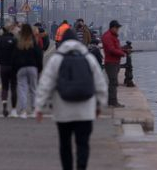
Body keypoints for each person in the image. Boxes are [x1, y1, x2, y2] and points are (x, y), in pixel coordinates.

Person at [35, 29, 108, 170]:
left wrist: (39, 107)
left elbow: (45, 84)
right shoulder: (88, 58)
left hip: (63, 112)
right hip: (85, 111)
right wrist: (99, 105)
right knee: (83, 143)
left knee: (65, 144)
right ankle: (81, 167)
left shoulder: (56, 59)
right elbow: (100, 84)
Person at [12, 23, 44, 119]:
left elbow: (14, 56)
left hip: (21, 68)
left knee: (22, 89)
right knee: (33, 89)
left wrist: (15, 68)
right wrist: (39, 67)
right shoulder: (33, 41)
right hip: (33, 67)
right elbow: (39, 55)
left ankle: (23, 111)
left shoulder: (18, 42)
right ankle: (34, 110)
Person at [101, 20, 127, 108]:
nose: (118, 30)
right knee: (113, 82)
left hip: (115, 62)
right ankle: (112, 102)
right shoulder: (108, 36)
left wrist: (123, 50)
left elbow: (116, 48)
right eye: (117, 28)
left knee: (114, 82)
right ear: (112, 27)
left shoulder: (112, 36)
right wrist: (122, 53)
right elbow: (111, 50)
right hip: (111, 63)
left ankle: (113, 101)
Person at [0, 25, 18, 117]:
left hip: (3, 66)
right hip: (13, 66)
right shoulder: (14, 40)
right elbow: (17, 52)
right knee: (13, 87)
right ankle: (14, 109)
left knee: (4, 87)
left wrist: (1, 58)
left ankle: (4, 106)